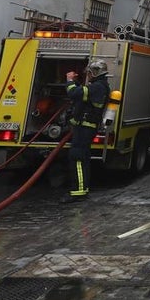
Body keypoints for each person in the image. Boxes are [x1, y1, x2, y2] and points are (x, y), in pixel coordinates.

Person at [61, 58, 111, 204]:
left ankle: (78, 192)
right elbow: (84, 95)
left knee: (77, 158)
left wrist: (70, 81)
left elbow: (74, 93)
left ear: (95, 73)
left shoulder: (98, 87)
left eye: (90, 72)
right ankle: (82, 189)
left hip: (85, 129)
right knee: (82, 158)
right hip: (84, 127)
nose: (88, 75)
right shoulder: (99, 86)